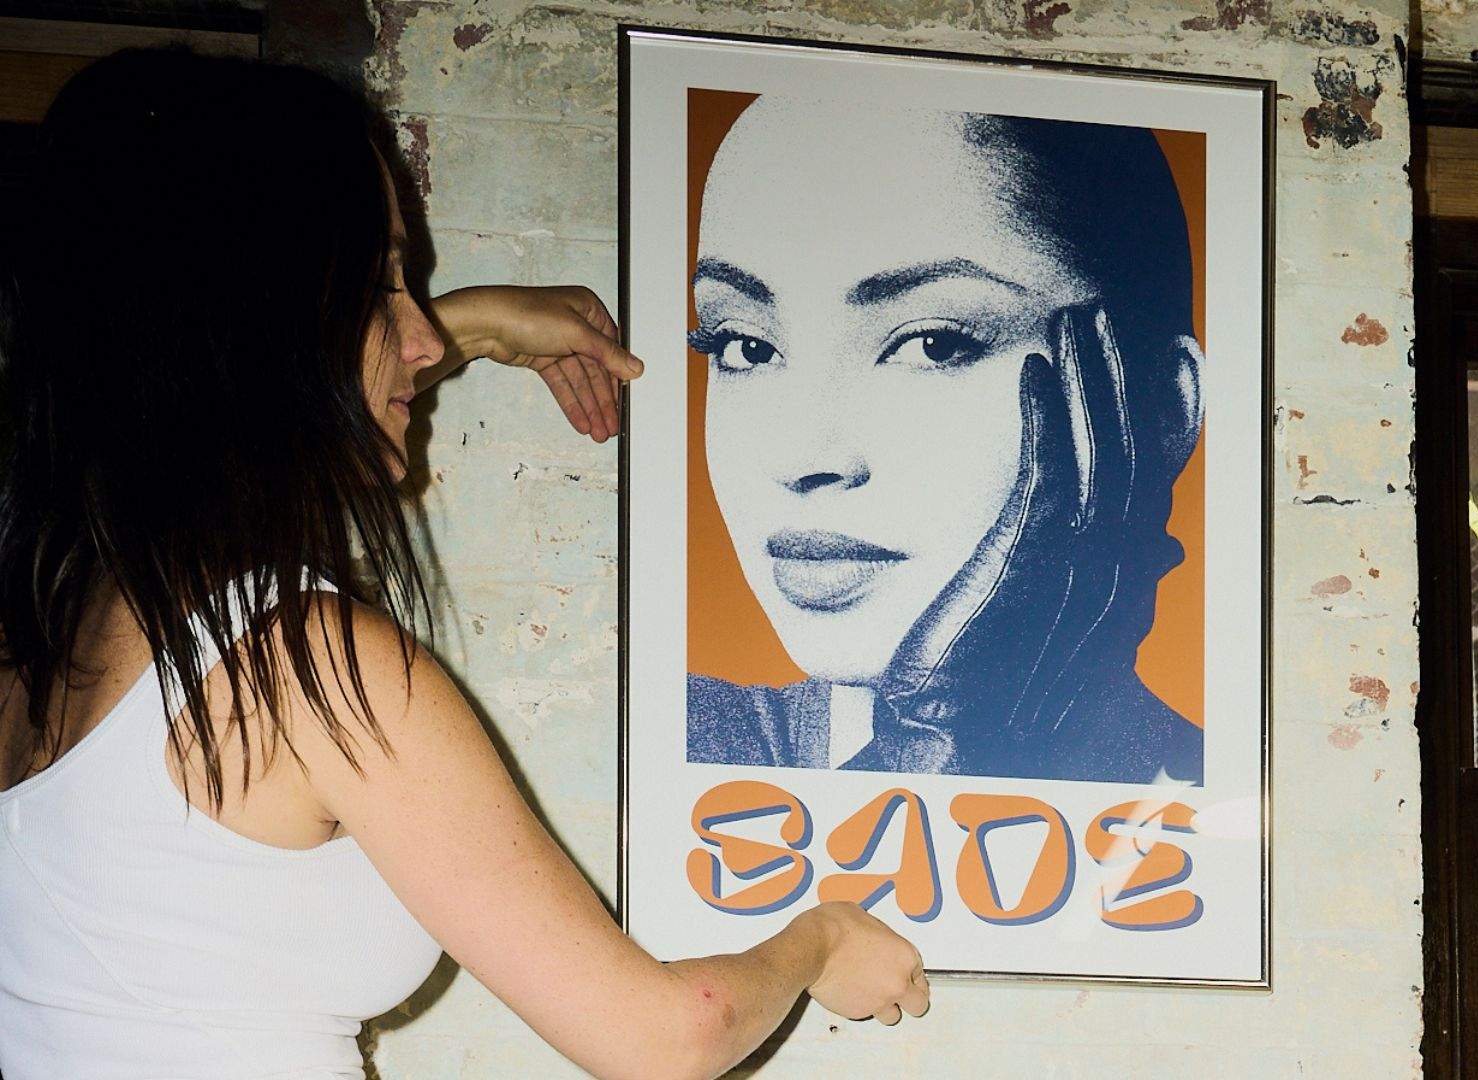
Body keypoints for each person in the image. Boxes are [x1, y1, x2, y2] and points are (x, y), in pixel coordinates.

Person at [0, 49, 927, 1080]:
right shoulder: (310, 667)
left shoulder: (40, 639)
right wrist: (821, 941)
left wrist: (473, 324)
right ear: (253, 318)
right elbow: (668, 1036)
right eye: (382, 283)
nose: (421, 338)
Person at [685, 98, 1206, 784]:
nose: (801, 460)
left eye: (933, 344)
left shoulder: (1246, 799)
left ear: (1163, 408)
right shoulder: (656, 737)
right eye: (745, 346)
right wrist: (939, 744)